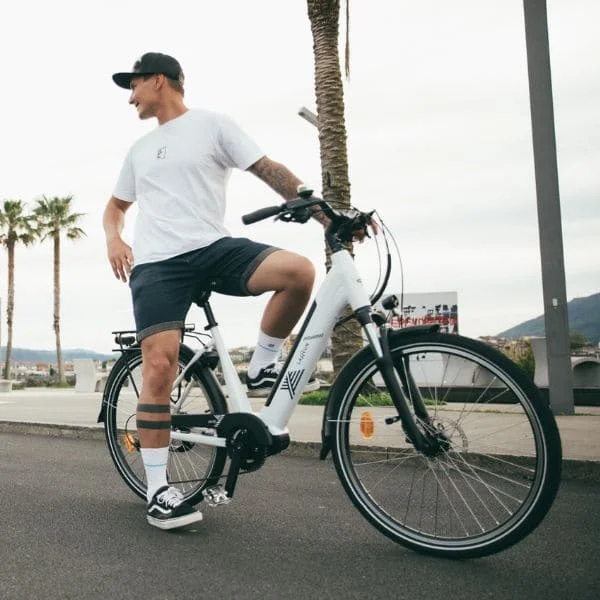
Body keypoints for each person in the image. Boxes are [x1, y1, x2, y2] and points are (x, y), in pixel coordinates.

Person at [104, 52, 326, 530]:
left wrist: (324, 213)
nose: (130, 96)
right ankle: (159, 490)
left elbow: (268, 169)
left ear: (159, 81)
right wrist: (114, 237)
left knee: (299, 273)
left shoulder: (211, 125)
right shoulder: (139, 151)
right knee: (160, 366)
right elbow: (114, 207)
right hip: (159, 265)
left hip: (212, 248)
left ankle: (263, 363)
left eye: (135, 85)